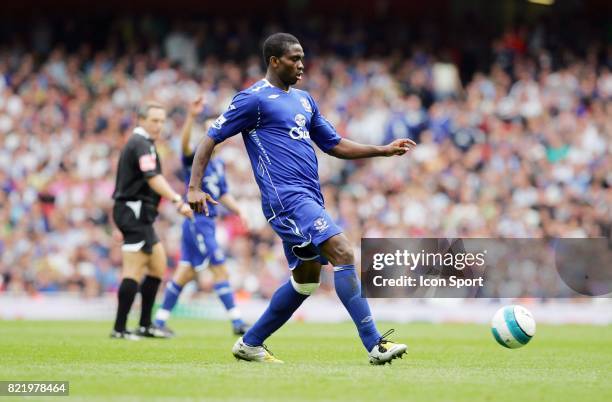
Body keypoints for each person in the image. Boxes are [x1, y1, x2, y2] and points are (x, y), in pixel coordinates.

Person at [187, 33, 416, 365]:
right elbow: (210, 138)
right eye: (294, 59)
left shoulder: (305, 100)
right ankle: (375, 344)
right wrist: (194, 187)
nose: (302, 65)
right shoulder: (253, 99)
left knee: (306, 279)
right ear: (274, 61)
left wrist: (381, 150)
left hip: (309, 196)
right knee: (343, 250)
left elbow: (333, 144)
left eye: (302, 58)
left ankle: (250, 343)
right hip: (286, 199)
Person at [153, 97, 250, 336]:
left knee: (185, 273)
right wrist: (191, 117)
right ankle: (237, 322)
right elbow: (183, 146)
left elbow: (223, 193)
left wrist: (239, 210)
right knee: (220, 269)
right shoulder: (198, 157)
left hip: (203, 222)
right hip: (199, 220)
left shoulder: (218, 164)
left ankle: (159, 321)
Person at [111, 101, 193, 339]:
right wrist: (178, 200)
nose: (159, 125)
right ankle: (120, 328)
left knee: (158, 265)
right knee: (133, 269)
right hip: (133, 212)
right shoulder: (141, 144)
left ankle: (146, 324)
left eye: (162, 121)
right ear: (141, 120)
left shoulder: (143, 144)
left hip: (139, 214)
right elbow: (152, 179)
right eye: (154, 120)